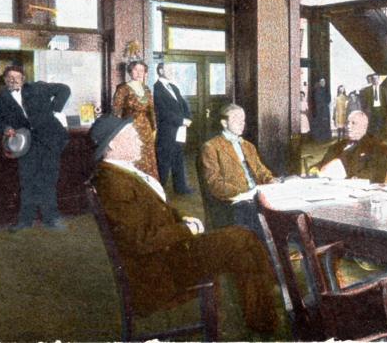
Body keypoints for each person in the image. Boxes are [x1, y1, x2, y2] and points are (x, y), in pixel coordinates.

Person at [88, 114, 278, 335]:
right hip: (162, 269)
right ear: (112, 144)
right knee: (242, 238)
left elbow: (151, 216)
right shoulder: (112, 182)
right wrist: (185, 229)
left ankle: (264, 320)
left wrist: (181, 220)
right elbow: (140, 240)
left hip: (171, 254)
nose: (141, 140)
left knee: (244, 252)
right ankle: (275, 299)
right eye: (132, 136)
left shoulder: (121, 173)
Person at [0, 65, 70, 231]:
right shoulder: (2, 97)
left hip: (50, 140)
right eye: (9, 77)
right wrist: (6, 128)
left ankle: (52, 219)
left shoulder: (38, 87)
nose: (13, 80)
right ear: (5, 80)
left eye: (16, 77)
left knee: (48, 180)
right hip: (26, 144)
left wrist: (54, 109)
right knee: (27, 181)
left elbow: (65, 89)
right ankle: (25, 221)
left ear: (23, 79)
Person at [198, 104, 276, 231]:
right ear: (224, 123)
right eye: (236, 119)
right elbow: (214, 183)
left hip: (256, 194)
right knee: (255, 217)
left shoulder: (248, 146)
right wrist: (244, 191)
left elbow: (261, 170)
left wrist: (270, 180)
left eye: (243, 120)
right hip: (234, 201)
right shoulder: (211, 147)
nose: (242, 123)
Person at [315, 110, 387, 183]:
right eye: (347, 123)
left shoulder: (377, 148)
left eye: (353, 123)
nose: (348, 126)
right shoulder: (337, 146)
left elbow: (374, 176)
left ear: (364, 126)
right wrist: (313, 170)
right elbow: (321, 165)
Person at [113, 60, 158, 180]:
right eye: (136, 70)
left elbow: (151, 110)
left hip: (146, 130)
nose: (139, 73)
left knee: (148, 159)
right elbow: (116, 112)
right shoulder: (123, 89)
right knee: (133, 157)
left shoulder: (146, 89)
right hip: (130, 128)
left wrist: (154, 128)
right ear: (130, 71)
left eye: (142, 70)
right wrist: (118, 133)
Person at [152, 63, 193, 194]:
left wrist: (188, 118)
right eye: (169, 69)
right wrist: (181, 120)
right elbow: (162, 111)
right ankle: (159, 190)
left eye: (173, 69)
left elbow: (184, 105)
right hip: (167, 130)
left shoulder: (174, 87)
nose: (172, 72)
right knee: (164, 161)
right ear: (160, 70)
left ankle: (180, 187)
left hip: (180, 130)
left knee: (178, 158)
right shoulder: (156, 89)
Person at [310, 77, 332, 142]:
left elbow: (329, 99)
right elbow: (317, 100)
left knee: (326, 123)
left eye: (324, 82)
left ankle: (326, 138)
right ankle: (320, 138)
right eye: (322, 82)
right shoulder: (317, 90)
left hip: (325, 109)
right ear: (319, 83)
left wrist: (325, 104)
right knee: (320, 124)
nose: (323, 83)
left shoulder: (326, 90)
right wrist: (322, 106)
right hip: (319, 110)